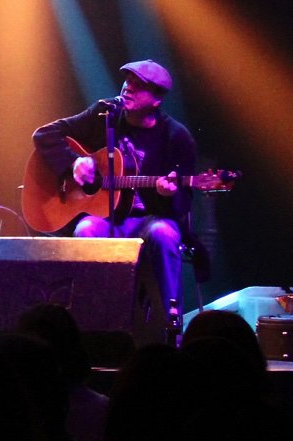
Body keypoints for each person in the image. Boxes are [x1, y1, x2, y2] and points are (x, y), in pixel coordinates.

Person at [30, 59, 196, 319]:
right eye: (128, 81)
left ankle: (169, 325)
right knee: (86, 230)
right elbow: (44, 135)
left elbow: (184, 204)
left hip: (150, 220)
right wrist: (74, 162)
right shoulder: (104, 115)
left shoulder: (176, 137)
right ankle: (91, 320)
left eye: (139, 85)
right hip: (106, 219)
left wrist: (169, 195)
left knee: (164, 234)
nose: (128, 87)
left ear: (156, 100)